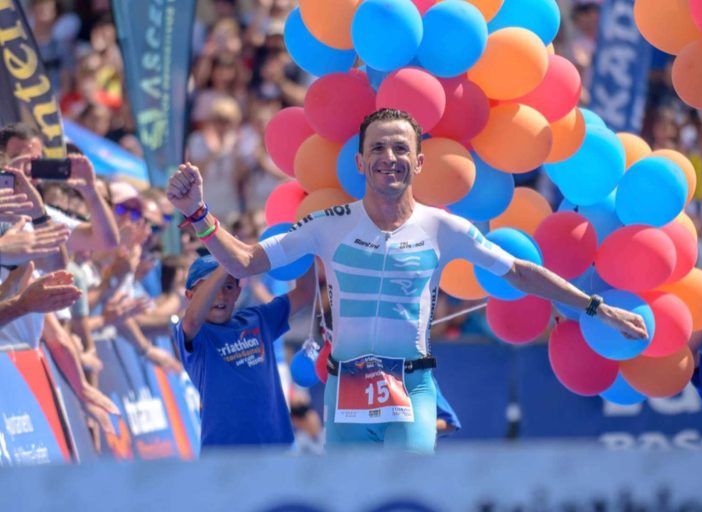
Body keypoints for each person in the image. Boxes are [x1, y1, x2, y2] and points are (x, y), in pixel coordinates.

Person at [167, 108, 648, 453]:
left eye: (401, 148)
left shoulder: (443, 227)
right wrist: (199, 214)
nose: (389, 156)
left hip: (412, 388)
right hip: (344, 389)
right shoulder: (328, 223)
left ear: (419, 163)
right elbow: (248, 261)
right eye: (377, 147)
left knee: (406, 495)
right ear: (359, 162)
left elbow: (520, 271)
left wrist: (596, 307)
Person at [175, 254, 315, 449]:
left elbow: (306, 292)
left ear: (238, 293)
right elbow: (191, 320)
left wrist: (306, 244)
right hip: (225, 456)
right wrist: (228, 264)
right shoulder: (196, 334)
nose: (221, 295)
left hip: (276, 450)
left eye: (229, 287)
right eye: (212, 288)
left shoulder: (258, 319)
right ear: (190, 297)